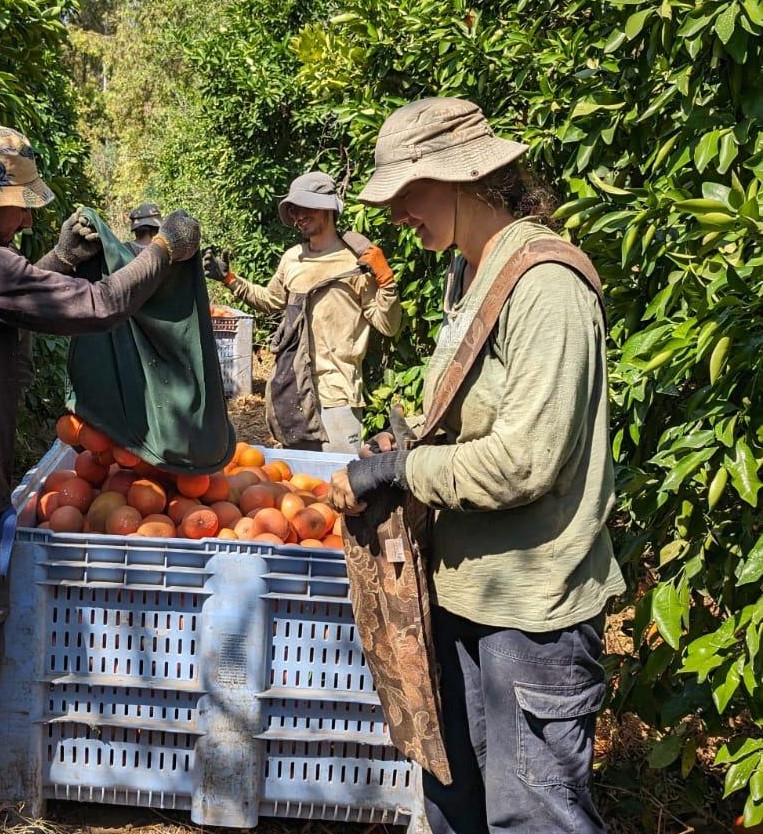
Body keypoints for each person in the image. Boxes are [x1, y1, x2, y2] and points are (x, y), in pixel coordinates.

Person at [0, 124, 199, 834]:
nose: (27, 218)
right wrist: (164, 250)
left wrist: (58, 258)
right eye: (20, 206)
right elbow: (97, 307)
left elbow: (0, 308)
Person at [330, 96, 625, 834]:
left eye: (406, 192)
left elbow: (525, 461)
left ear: (463, 180)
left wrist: (398, 474)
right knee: (454, 800)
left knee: (533, 817)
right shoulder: (468, 274)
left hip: (530, 616)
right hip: (464, 594)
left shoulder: (545, 287)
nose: (396, 213)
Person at [202, 171, 401, 452]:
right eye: (294, 209)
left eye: (306, 207)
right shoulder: (292, 258)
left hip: (337, 396)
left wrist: (386, 281)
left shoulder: (357, 261)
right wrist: (231, 280)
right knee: (299, 485)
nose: (299, 215)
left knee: (339, 483)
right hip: (293, 392)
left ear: (328, 209)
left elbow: (388, 325)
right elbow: (271, 300)